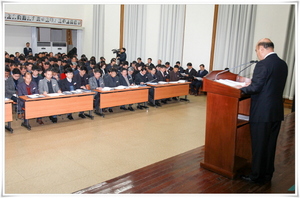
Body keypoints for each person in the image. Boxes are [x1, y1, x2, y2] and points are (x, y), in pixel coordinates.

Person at [238, 38, 288, 184]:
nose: (257, 53)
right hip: (276, 112)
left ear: (261, 49)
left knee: (259, 145)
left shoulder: (263, 64)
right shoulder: (282, 64)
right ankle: (267, 174)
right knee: (270, 145)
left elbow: (255, 88)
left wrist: (241, 88)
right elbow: (269, 84)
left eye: (256, 50)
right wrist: (251, 82)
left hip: (262, 113)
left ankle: (256, 176)